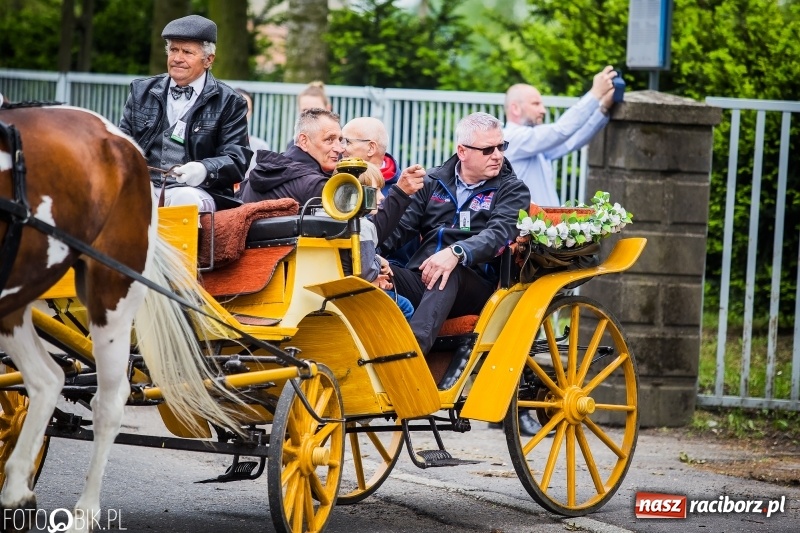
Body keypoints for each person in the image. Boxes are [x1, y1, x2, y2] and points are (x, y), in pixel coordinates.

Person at [379, 112, 530, 358]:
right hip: (422, 278)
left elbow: (498, 234)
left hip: (475, 285)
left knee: (448, 271)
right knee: (370, 271)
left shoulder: (513, 189)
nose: (498, 155)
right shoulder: (433, 181)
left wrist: (457, 252)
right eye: (488, 149)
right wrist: (373, 258)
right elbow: (399, 230)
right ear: (462, 151)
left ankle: (411, 356)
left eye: (501, 146)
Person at [119, 14, 251, 212]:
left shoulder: (230, 101)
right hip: (143, 185)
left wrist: (204, 169)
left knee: (184, 198)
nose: (177, 59)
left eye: (187, 52)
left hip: (198, 191)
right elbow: (122, 143)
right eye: (173, 50)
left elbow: (237, 159)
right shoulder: (141, 91)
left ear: (208, 60)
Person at [503, 66, 619, 206]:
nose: (543, 110)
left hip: (544, 225)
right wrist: (595, 93)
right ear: (515, 108)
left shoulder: (530, 144)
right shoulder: (511, 139)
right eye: (536, 104)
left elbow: (571, 141)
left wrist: (603, 109)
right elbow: (560, 131)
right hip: (531, 226)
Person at [340, 162, 422, 320]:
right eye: (375, 191)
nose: (382, 196)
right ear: (357, 193)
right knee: (405, 306)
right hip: (353, 291)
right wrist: (377, 269)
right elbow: (366, 272)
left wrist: (377, 258)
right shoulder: (362, 225)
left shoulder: (335, 217)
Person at [237, 108, 343, 205]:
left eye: (340, 140)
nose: (340, 148)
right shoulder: (314, 185)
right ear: (304, 141)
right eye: (329, 139)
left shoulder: (267, 170)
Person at [341, 117, 401, 194]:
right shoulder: (335, 178)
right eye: (341, 141)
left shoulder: (403, 191)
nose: (340, 148)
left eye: (347, 142)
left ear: (371, 148)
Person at [235, 88, 270, 181]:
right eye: (238, 108)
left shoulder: (261, 147)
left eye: (247, 109)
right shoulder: (212, 144)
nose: (243, 113)